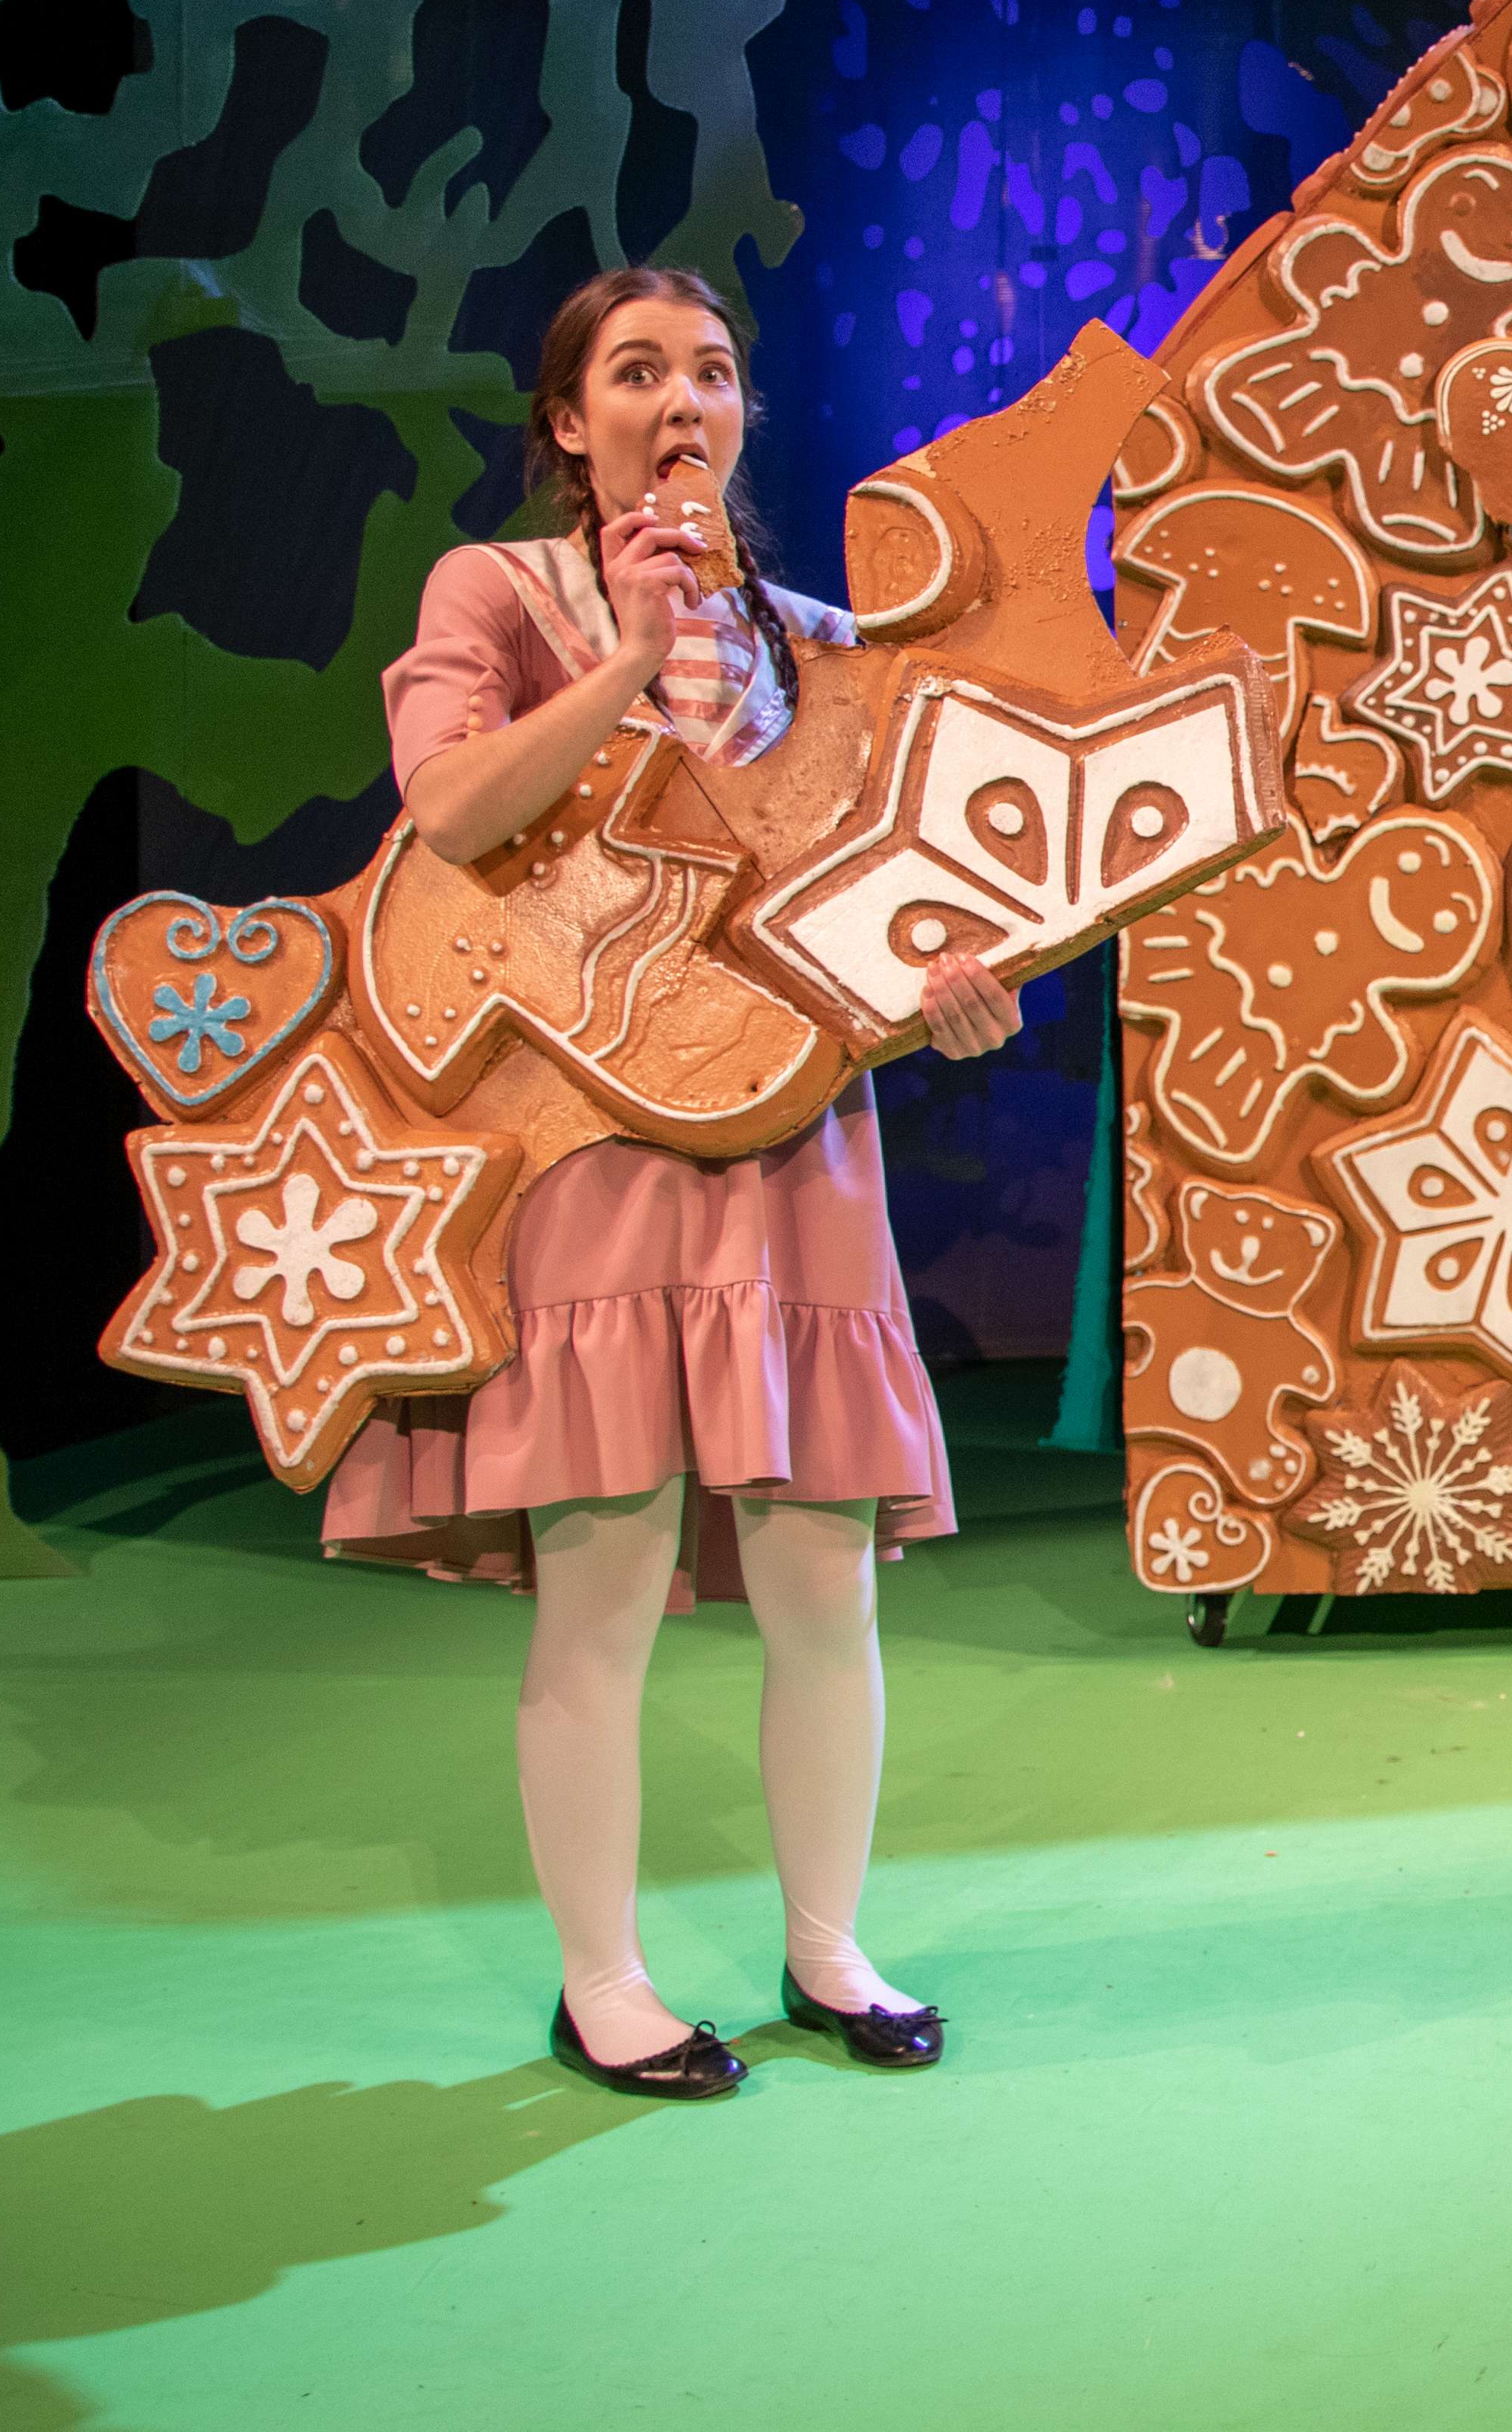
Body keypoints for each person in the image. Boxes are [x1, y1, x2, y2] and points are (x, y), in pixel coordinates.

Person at [327, 266, 1011, 2096]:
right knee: (606, 1576)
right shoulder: (498, 592)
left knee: (823, 1578)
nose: (681, 399)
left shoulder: (822, 641)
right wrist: (632, 655)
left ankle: (829, 1947)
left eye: (711, 369)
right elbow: (447, 807)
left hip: (796, 1139)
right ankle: (604, 1979)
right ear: (572, 423)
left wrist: (954, 978)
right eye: (636, 371)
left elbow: (904, 882)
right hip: (587, 1139)